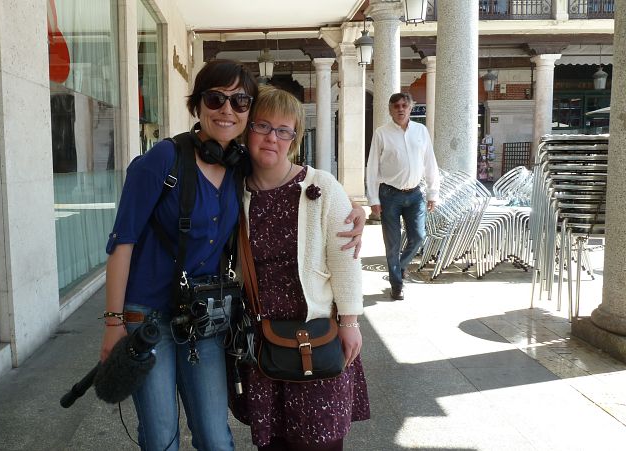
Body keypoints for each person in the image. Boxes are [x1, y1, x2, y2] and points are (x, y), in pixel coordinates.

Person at [101, 60, 366, 451]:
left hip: (205, 316)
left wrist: (352, 208)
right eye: (215, 99)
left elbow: (297, 184)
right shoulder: (163, 160)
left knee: (215, 437)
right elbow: (122, 243)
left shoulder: (237, 168)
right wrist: (113, 323)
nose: (227, 109)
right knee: (160, 436)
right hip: (149, 316)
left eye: (240, 102)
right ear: (197, 104)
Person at [229, 85, 370, 451]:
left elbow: (345, 259)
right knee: (273, 443)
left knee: (320, 441)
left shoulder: (321, 187)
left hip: (317, 334)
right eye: (262, 126)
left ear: (295, 139)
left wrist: (350, 322)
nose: (272, 137)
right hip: (263, 340)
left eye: (284, 130)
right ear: (247, 130)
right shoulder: (232, 190)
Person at [366, 92, 439, 301]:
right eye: (396, 106)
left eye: (404, 105)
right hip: (389, 195)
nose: (400, 109)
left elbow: (430, 162)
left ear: (410, 108)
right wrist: (373, 199)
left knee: (418, 237)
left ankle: (399, 267)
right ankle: (397, 285)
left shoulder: (421, 131)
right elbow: (372, 167)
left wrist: (433, 192)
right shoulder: (381, 133)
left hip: (415, 194)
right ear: (390, 110)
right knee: (393, 244)